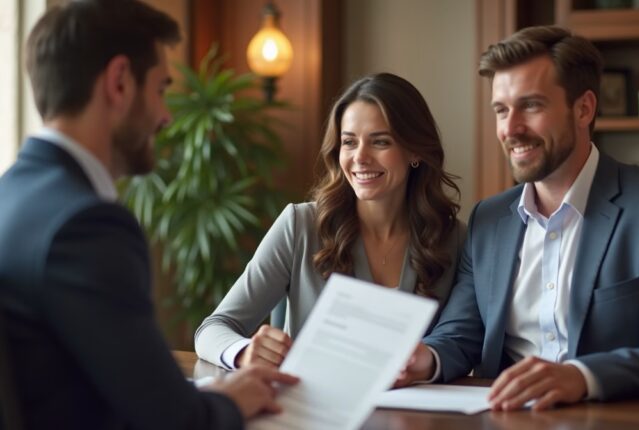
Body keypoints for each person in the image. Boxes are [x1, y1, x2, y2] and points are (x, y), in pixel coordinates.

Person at [396, 25, 639, 411]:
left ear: (584, 108)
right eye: (501, 110)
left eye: (531, 106)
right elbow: (462, 333)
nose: (511, 128)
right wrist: (427, 359)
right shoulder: (488, 219)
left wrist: (581, 377)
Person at [0, 1, 298, 429]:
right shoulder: (85, 227)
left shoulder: (11, 196)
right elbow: (177, 422)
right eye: (160, 89)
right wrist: (237, 397)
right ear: (120, 82)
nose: (166, 116)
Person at [195, 72, 466, 370]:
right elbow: (213, 329)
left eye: (380, 142)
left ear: (414, 150)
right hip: (309, 410)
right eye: (349, 142)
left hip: (413, 415)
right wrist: (244, 352)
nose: (360, 157)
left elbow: (460, 344)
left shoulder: (453, 238)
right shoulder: (299, 225)